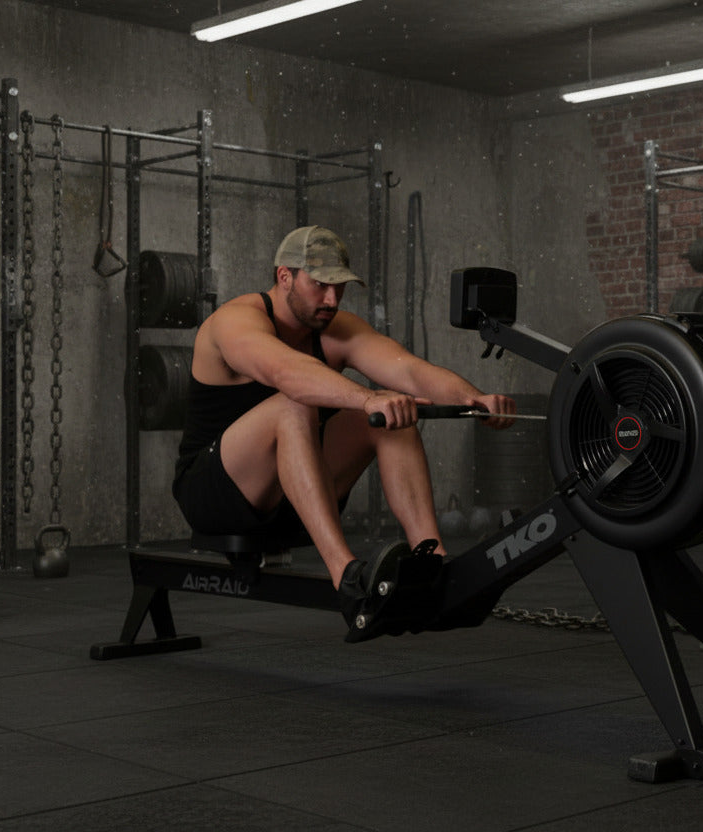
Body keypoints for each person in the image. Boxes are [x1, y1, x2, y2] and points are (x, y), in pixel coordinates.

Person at [172, 225, 515, 635]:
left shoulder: (335, 330)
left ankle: (434, 564)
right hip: (213, 495)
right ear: (285, 277)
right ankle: (347, 579)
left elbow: (414, 373)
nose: (332, 300)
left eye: (340, 288)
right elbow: (286, 372)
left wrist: (473, 399)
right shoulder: (234, 321)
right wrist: (365, 398)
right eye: (320, 285)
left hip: (293, 497)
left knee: (393, 411)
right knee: (294, 406)